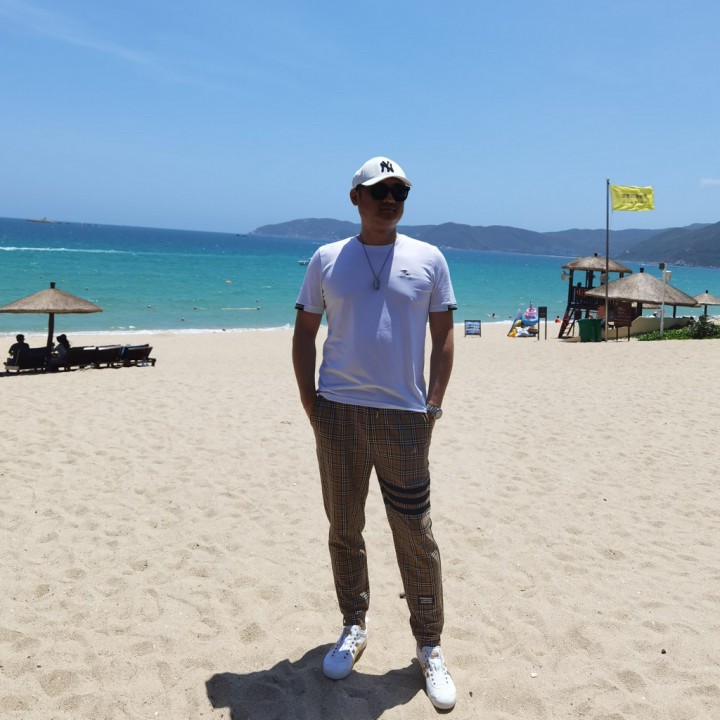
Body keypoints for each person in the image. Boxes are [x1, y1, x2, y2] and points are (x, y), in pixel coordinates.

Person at [292, 156, 457, 710]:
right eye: (379, 190)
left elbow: (444, 336)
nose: (390, 200)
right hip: (338, 413)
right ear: (355, 197)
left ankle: (429, 644)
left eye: (399, 192)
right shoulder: (326, 259)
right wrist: (311, 403)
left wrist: (433, 405)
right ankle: (353, 624)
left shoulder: (429, 258)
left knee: (415, 533)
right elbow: (304, 332)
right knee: (344, 527)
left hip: (405, 419)